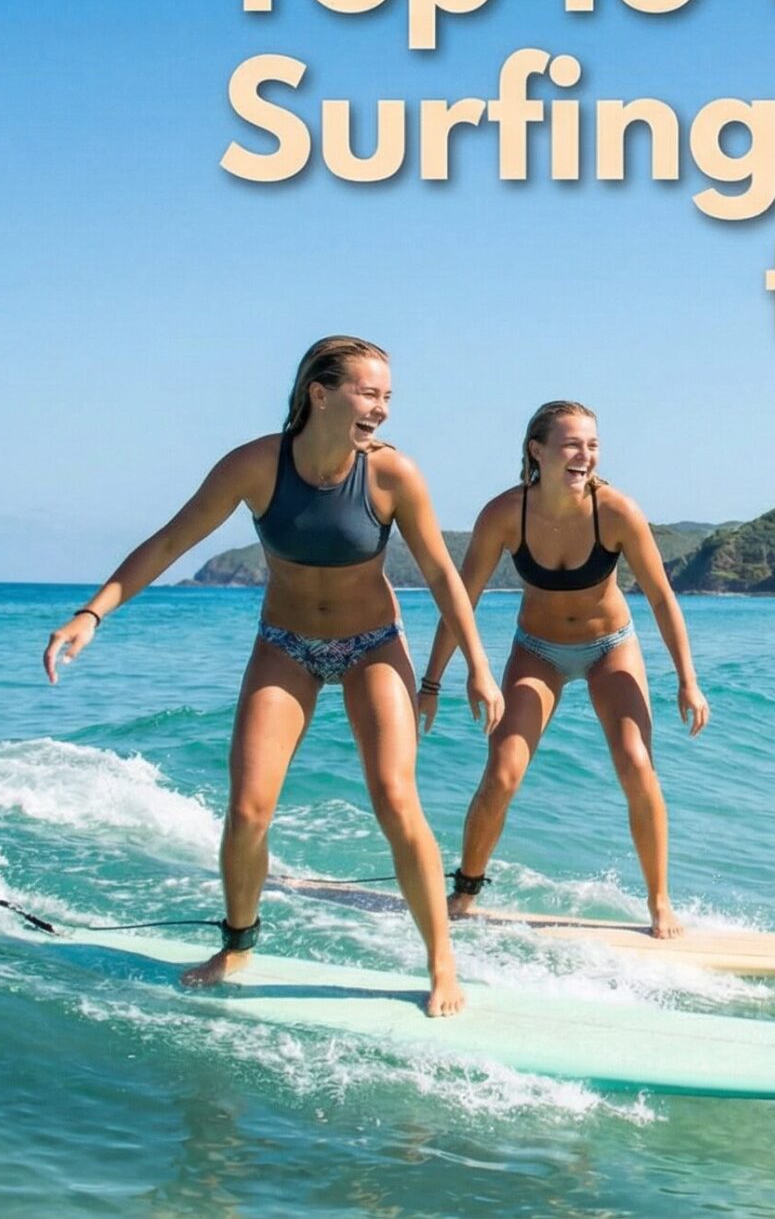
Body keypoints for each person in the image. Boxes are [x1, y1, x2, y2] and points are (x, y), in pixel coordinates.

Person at [42, 336, 503, 1017]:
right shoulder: (256, 465)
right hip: (284, 644)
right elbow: (171, 541)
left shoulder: (391, 475)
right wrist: (92, 613)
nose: (381, 408)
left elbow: (441, 574)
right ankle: (236, 941)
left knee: (395, 798)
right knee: (250, 807)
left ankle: (440, 960)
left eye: (387, 398)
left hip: (373, 644)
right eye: (368, 393)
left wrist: (478, 669)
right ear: (321, 392)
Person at [417, 400, 708, 940]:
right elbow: (463, 600)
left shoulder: (616, 512)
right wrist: (431, 683)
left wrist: (688, 680)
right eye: (573, 444)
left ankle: (660, 902)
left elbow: (663, 600)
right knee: (502, 771)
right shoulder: (505, 514)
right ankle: (467, 887)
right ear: (538, 451)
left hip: (609, 648)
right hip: (538, 651)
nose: (585, 455)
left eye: (593, 445)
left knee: (637, 765)